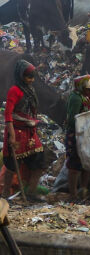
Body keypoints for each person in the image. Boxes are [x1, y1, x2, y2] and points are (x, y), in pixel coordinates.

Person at [2, 60, 44, 200]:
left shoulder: (30, 89)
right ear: (20, 75)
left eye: (32, 77)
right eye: (28, 77)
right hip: (17, 132)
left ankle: (31, 192)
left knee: (39, 161)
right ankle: (5, 194)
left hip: (29, 132)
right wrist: (12, 135)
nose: (31, 80)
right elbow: (8, 113)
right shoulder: (14, 90)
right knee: (12, 166)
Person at [65, 74, 90, 198]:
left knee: (85, 163)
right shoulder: (76, 98)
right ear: (82, 87)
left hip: (85, 134)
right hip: (76, 135)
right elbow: (73, 119)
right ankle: (73, 195)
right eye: (88, 89)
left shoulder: (83, 97)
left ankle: (83, 190)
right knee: (74, 164)